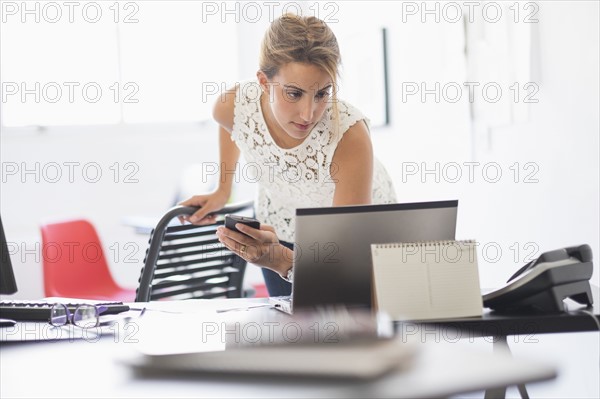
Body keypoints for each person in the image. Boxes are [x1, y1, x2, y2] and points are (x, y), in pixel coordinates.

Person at [180, 13, 396, 296]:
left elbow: (344, 262)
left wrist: (281, 260)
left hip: (355, 241)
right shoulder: (230, 105)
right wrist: (223, 189)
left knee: (343, 326)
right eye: (294, 94)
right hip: (279, 221)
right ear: (264, 82)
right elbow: (232, 124)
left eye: (322, 94)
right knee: (286, 328)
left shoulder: (350, 137)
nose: (308, 114)